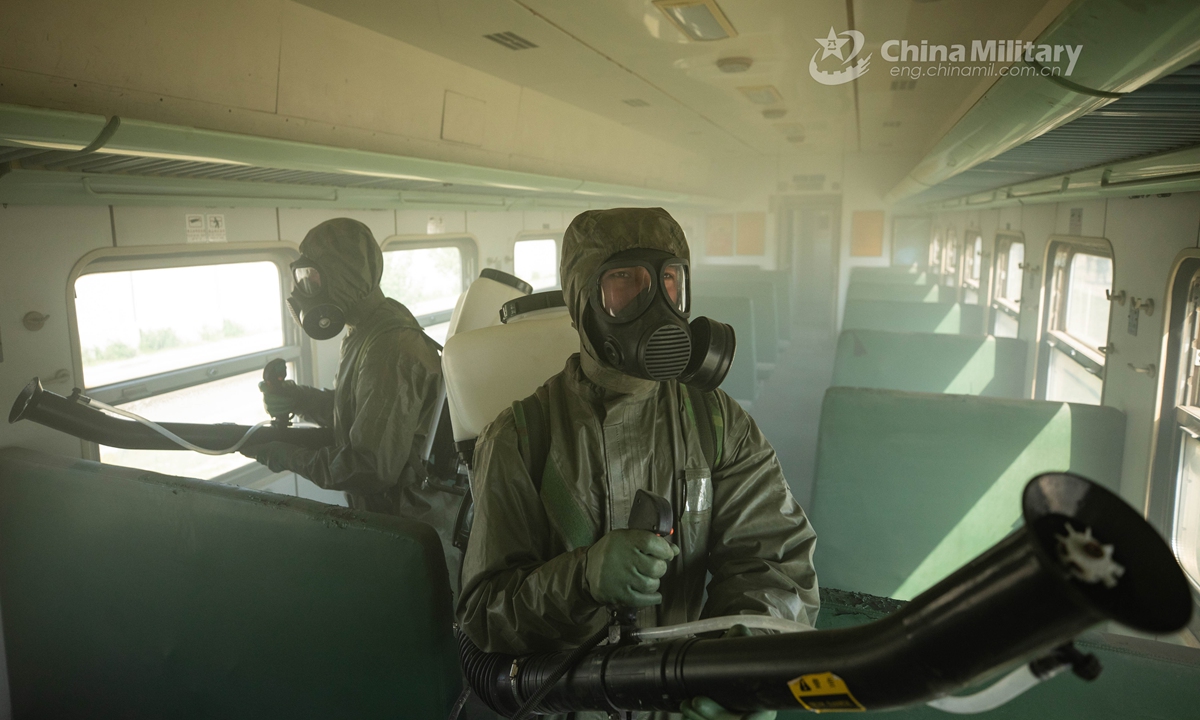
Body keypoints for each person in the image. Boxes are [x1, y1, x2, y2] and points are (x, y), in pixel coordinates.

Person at [457, 207, 818, 720]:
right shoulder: (520, 438)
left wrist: (746, 660)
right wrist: (580, 579)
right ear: (585, 300)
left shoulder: (716, 424)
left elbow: (774, 562)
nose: (657, 305)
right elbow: (483, 617)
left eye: (670, 281)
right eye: (625, 282)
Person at [242, 217, 461, 584]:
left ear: (343, 276)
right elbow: (360, 413)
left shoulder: (390, 346)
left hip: (414, 535)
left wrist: (288, 456)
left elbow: (371, 467)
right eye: (302, 278)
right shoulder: (368, 329)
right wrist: (299, 398)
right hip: (392, 525)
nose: (304, 290)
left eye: (313, 277)